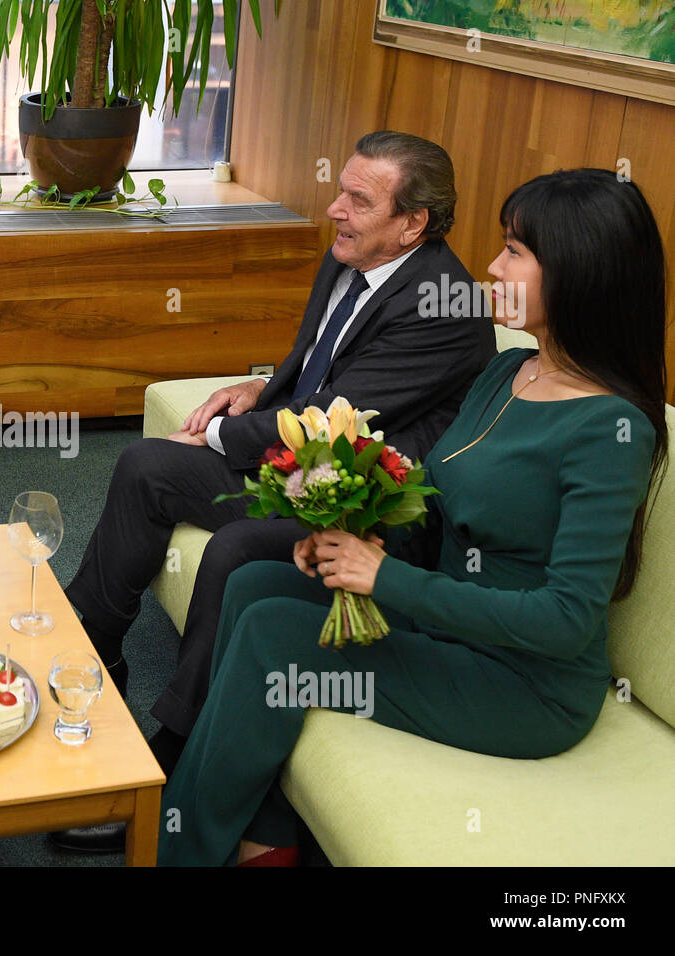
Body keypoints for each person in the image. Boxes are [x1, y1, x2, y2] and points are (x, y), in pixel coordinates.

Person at [158, 168, 668, 866]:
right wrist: (358, 539)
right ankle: (263, 837)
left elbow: (565, 621)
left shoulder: (610, 429)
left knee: (277, 632)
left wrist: (382, 578)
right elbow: (438, 507)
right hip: (445, 622)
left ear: (581, 272)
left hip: (522, 683)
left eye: (516, 250)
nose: (492, 265)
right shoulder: (507, 371)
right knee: (255, 584)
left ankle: (177, 848)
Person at [53, 131, 495, 852]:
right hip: (300, 465)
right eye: (341, 189)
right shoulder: (354, 252)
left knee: (236, 549)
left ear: (413, 223)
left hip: (367, 506)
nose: (334, 210)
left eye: (358, 198)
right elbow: (315, 367)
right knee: (144, 465)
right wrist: (262, 384)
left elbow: (331, 422)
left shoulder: (446, 306)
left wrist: (225, 436)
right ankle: (92, 656)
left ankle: (175, 751)